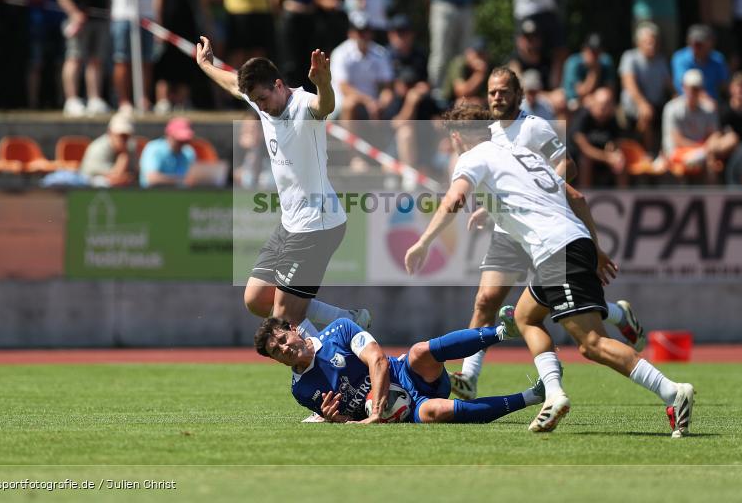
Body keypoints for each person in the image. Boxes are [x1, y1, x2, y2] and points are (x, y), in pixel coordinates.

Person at [405, 106, 694, 436]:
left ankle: (672, 391)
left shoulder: (472, 158)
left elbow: (455, 199)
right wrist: (595, 248)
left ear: (456, 138)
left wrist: (424, 243)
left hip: (557, 251)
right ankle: (554, 395)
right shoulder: (523, 154)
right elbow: (576, 196)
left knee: (592, 343)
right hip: (569, 244)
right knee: (524, 317)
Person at [446, 67, 645, 401]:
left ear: (518, 95)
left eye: (504, 91)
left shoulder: (534, 127)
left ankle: (615, 314)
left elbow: (568, 164)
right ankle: (469, 376)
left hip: (545, 225)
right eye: (492, 92)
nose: (497, 97)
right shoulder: (487, 133)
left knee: (554, 305)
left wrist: (537, 194)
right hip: (509, 230)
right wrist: (490, 207)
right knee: (486, 300)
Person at [195, 35, 371, 344]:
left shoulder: (304, 105)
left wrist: (324, 83)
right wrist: (206, 65)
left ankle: (332, 361)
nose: (260, 106)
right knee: (256, 299)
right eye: (256, 100)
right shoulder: (263, 100)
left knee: (284, 318)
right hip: (291, 224)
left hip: (317, 226)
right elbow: (233, 84)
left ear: (278, 85)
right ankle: (347, 320)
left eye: (263, 99)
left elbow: (325, 105)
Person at [255, 314, 545, 424]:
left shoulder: (338, 330)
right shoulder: (301, 390)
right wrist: (335, 419)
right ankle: (533, 396)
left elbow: (378, 360)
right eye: (276, 351)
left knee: (419, 352)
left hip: (406, 373)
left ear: (294, 329)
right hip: (405, 410)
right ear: (276, 360)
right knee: (436, 412)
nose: (284, 348)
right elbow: (347, 421)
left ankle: (502, 332)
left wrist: (376, 410)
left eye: (282, 339)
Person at [155, 0, 208, 113]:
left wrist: (206, 24)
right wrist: (158, 24)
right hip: (169, 25)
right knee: (166, 62)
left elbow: (201, 0)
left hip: (188, 24)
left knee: (187, 62)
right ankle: (163, 100)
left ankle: (183, 100)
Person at [20, 0, 64, 109]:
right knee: (35, 63)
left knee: (61, 63)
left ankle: (63, 101)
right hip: (37, 21)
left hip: (59, 21)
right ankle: (33, 103)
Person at [330, 12, 394, 124]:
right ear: (351, 33)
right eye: (359, 32)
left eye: (366, 31)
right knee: (350, 104)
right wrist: (368, 101)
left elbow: (387, 87)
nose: (363, 36)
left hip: (372, 105)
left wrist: (381, 104)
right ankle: (347, 136)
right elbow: (344, 88)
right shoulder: (340, 53)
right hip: (342, 106)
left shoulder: (381, 53)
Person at [662, 69, 724, 182]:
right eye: (690, 88)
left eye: (696, 89)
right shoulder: (671, 109)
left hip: (701, 152)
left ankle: (711, 193)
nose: (692, 92)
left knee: (711, 163)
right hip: (677, 153)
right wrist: (702, 149)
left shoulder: (709, 108)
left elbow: (714, 134)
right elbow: (677, 140)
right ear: (683, 87)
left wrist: (706, 149)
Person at [618, 21, 672, 153]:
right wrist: (642, 104)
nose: (652, 45)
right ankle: (648, 154)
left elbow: (669, 85)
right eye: (648, 42)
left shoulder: (661, 60)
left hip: (657, 105)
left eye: (654, 42)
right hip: (634, 106)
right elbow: (629, 83)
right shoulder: (630, 57)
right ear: (638, 43)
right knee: (646, 114)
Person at [570, 87, 627, 187]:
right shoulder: (582, 117)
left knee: (620, 160)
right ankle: (586, 193)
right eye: (601, 105)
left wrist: (614, 150)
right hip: (577, 162)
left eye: (608, 105)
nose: (604, 108)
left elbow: (617, 141)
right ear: (593, 103)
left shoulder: (612, 119)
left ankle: (623, 193)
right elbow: (585, 149)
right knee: (585, 161)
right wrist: (607, 157)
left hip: (604, 159)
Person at [671, 24, 729, 103]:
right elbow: (684, 85)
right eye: (693, 43)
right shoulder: (680, 58)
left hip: (714, 102)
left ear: (710, 44)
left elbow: (724, 85)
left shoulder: (718, 59)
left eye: (699, 44)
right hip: (687, 101)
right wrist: (705, 99)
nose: (695, 47)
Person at [81, 112, 138, 186]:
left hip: (116, 189)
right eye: (121, 135)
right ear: (110, 132)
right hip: (89, 187)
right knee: (102, 182)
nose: (124, 139)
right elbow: (116, 178)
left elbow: (135, 174)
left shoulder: (131, 147)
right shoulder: (98, 148)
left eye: (126, 136)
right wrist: (123, 156)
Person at [139, 117, 197, 187]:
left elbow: (192, 178)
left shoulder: (188, 152)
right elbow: (151, 179)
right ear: (169, 135)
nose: (182, 142)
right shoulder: (154, 149)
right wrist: (180, 180)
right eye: (178, 139)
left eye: (184, 140)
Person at [561, 33, 614, 105]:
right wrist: (593, 71)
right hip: (572, 101)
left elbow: (610, 91)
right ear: (584, 49)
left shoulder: (606, 61)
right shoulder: (573, 62)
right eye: (592, 51)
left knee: (604, 97)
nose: (594, 55)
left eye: (597, 51)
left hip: (594, 100)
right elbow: (580, 92)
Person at [443, 36, 490, 107]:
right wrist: (480, 74)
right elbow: (461, 92)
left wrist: (481, 100)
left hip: (478, 102)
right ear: (468, 53)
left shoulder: (490, 65)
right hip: (449, 103)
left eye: (483, 54)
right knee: (461, 103)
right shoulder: (459, 64)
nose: (480, 58)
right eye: (478, 54)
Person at [508, 18, 552, 94]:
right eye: (526, 37)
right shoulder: (514, 62)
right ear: (518, 40)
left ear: (540, 39)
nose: (530, 42)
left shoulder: (549, 63)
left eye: (534, 36)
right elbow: (519, 90)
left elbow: (559, 93)